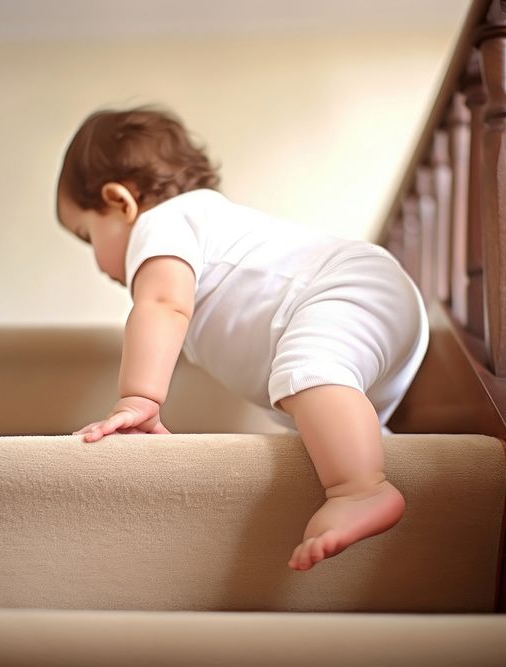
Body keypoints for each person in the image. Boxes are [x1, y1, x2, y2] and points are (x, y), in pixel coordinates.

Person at [56, 107, 428, 572]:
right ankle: (371, 452)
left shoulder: (163, 222)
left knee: (305, 372)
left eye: (87, 236)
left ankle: (361, 488)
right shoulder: (201, 233)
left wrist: (139, 397)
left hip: (345, 290)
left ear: (121, 202)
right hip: (377, 320)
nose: (96, 262)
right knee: (306, 403)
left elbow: (161, 307)